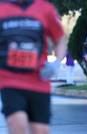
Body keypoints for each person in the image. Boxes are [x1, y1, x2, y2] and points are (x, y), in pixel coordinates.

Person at [0, 0, 66, 134]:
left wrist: (56, 63)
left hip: (39, 81)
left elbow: (60, 41)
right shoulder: (2, 9)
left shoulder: (46, 8)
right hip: (10, 80)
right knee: (17, 125)